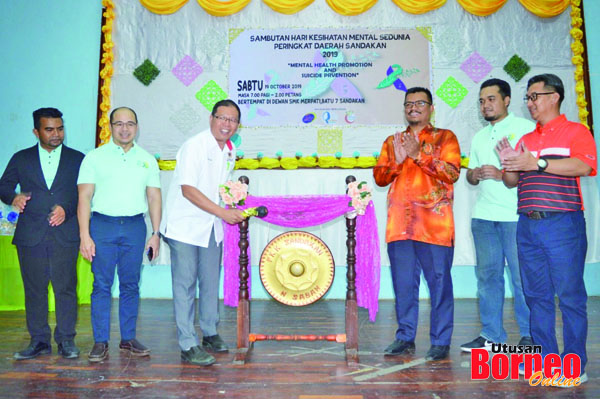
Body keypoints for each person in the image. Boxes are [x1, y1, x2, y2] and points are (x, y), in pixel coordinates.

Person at [498, 73, 596, 385]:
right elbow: (512, 182)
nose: (529, 103)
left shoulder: (575, 131)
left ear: (554, 97)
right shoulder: (526, 138)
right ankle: (545, 361)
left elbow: (585, 165)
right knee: (536, 296)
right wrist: (509, 164)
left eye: (534, 96)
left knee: (569, 296)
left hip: (562, 224)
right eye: (527, 97)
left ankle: (574, 365)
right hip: (527, 225)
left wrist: (536, 162)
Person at [373, 87, 461, 361]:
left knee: (439, 284)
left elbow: (452, 172)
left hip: (433, 226)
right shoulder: (392, 141)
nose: (413, 107)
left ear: (431, 108)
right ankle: (405, 337)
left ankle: (440, 341)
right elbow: (379, 177)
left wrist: (419, 154)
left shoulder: (445, 137)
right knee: (402, 285)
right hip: (399, 225)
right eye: (408, 103)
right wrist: (398, 162)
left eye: (420, 103)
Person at [160, 99, 245, 366]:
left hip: (210, 226)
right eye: (222, 118)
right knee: (185, 284)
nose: (227, 124)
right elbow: (188, 189)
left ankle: (210, 332)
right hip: (185, 226)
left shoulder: (229, 150)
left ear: (237, 125)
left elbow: (218, 189)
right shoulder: (195, 146)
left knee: (210, 280)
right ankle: (187, 344)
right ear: (211, 118)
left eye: (232, 120)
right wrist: (223, 213)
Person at [77, 107, 162, 362]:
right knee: (101, 285)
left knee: (130, 284)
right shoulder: (94, 158)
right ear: (110, 126)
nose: (125, 129)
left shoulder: (147, 159)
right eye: (119, 124)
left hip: (135, 227)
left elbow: (154, 196)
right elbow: (84, 197)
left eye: (130, 124)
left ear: (137, 127)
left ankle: (128, 338)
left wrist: (156, 233)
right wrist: (85, 235)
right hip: (102, 226)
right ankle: (100, 341)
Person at [0, 108, 84, 360]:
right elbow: (3, 185)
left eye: (60, 128)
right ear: (36, 131)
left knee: (66, 288)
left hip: (65, 233)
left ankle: (66, 340)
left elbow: (85, 193)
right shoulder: (21, 158)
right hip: (31, 235)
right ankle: (38, 341)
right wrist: (13, 197)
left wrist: (66, 209)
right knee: (34, 289)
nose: (56, 134)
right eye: (49, 129)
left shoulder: (77, 159)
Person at [460, 79, 534, 352]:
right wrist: (476, 174)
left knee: (521, 278)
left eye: (491, 99)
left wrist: (502, 174)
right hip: (483, 217)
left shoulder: (525, 129)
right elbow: (469, 173)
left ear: (506, 100)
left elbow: (534, 172)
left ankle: (529, 335)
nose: (485, 105)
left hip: (516, 217)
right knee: (488, 278)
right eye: (481, 101)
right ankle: (492, 335)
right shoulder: (480, 136)